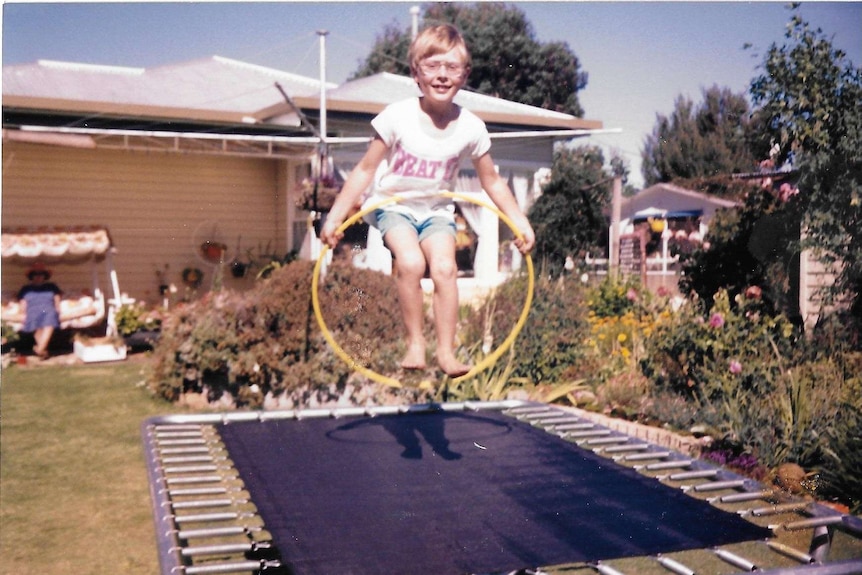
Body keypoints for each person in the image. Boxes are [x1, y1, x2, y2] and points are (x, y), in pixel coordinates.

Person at [321, 24, 535, 377]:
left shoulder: (471, 127)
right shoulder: (397, 117)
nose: (441, 75)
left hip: (436, 210)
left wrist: (520, 222)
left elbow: (492, 181)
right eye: (432, 66)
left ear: (465, 75)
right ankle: (415, 341)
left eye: (451, 67)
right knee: (409, 261)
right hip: (394, 206)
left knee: (446, 268)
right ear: (415, 73)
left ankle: (447, 351)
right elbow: (363, 170)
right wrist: (335, 216)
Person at [17, 262, 62, 358]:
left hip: (47, 308)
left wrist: (58, 308)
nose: (38, 277)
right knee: (33, 317)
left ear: (44, 276)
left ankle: (40, 349)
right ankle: (42, 351)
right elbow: (23, 303)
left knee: (50, 315)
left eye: (41, 274)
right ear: (31, 276)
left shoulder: (51, 286)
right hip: (32, 310)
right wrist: (22, 312)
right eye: (35, 274)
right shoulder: (25, 289)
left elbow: (57, 299)